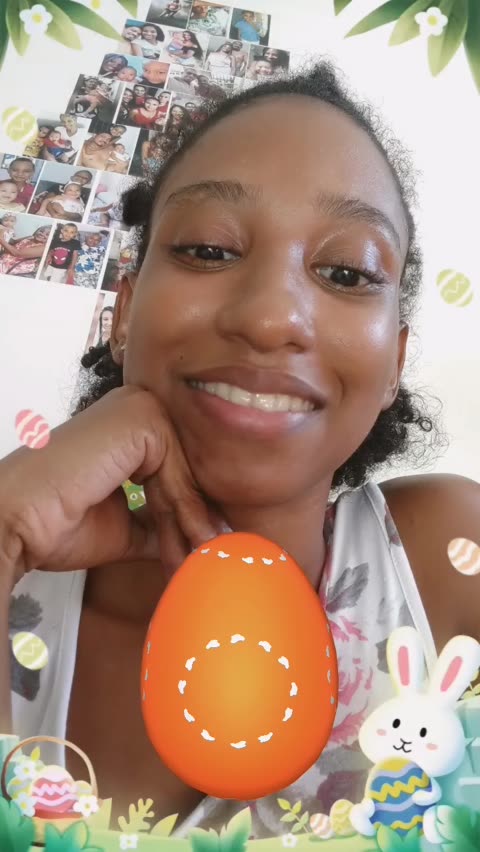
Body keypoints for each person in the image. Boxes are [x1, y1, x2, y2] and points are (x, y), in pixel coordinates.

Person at [2, 61, 480, 833]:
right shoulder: (15, 583)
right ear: (123, 315)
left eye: (346, 271)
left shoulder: (448, 563)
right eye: (209, 250)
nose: (270, 317)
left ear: (394, 360)